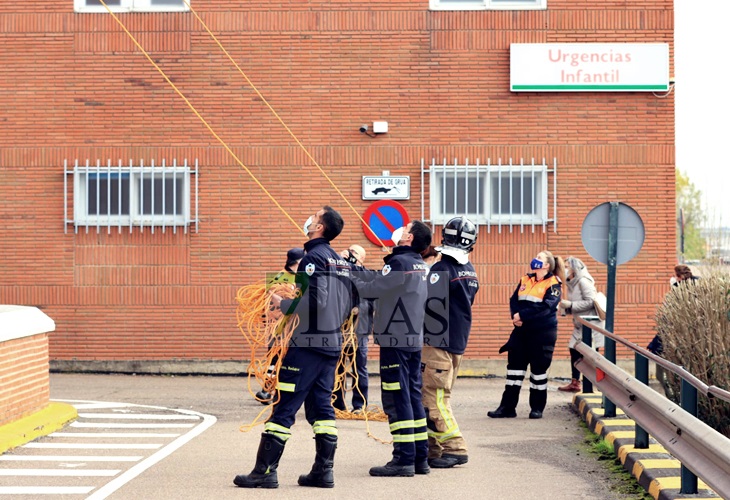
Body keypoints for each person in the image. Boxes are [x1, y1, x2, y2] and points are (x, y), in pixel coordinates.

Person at [234, 206, 352, 489]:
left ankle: (264, 472)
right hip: (330, 343)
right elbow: (347, 303)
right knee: (322, 409)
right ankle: (323, 472)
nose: (309, 218)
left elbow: (316, 302)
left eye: (314, 215)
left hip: (308, 345)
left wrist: (282, 304)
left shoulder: (314, 257)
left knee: (284, 407)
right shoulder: (339, 260)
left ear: (319, 227)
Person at [352, 221, 432, 477]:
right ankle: (420, 458)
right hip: (411, 338)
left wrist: (347, 275)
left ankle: (403, 460)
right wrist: (357, 269)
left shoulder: (399, 263)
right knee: (412, 396)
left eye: (405, 228)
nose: (400, 230)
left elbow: (371, 289)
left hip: (394, 340)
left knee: (397, 397)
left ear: (408, 237)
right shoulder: (418, 263)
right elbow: (380, 279)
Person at [422, 216, 479, 469]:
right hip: (455, 342)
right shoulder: (469, 269)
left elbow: (430, 307)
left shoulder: (442, 269)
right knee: (433, 398)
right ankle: (434, 450)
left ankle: (455, 448)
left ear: (444, 237)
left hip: (437, 344)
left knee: (435, 398)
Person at [488, 250, 564, 420]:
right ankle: (507, 407)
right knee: (514, 372)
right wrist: (515, 316)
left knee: (538, 373)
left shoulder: (554, 284)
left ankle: (537, 408)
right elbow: (513, 300)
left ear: (546, 265)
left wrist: (523, 316)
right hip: (521, 332)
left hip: (542, 334)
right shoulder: (525, 279)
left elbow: (546, 307)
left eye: (539, 258)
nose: (535, 260)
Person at [255, 248, 305, 405]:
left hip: (291, 327)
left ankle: (274, 391)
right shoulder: (280, 278)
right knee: (275, 358)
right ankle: (268, 390)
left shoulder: (298, 277)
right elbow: (270, 303)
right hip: (279, 326)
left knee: (286, 360)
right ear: (297, 262)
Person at [332, 244, 374, 413]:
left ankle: (359, 404)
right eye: (349, 250)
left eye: (354, 252)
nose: (349, 253)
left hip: (359, 329)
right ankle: (338, 403)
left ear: (361, 259)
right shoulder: (340, 272)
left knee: (358, 367)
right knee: (339, 366)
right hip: (341, 328)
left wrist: (359, 308)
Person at [557, 256, 605, 392]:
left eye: (566, 267)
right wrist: (566, 308)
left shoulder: (583, 281)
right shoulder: (572, 283)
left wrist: (571, 305)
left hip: (590, 324)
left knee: (591, 355)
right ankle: (575, 382)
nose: (564, 270)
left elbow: (590, 301)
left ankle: (597, 383)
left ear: (573, 268)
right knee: (574, 349)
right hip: (580, 324)